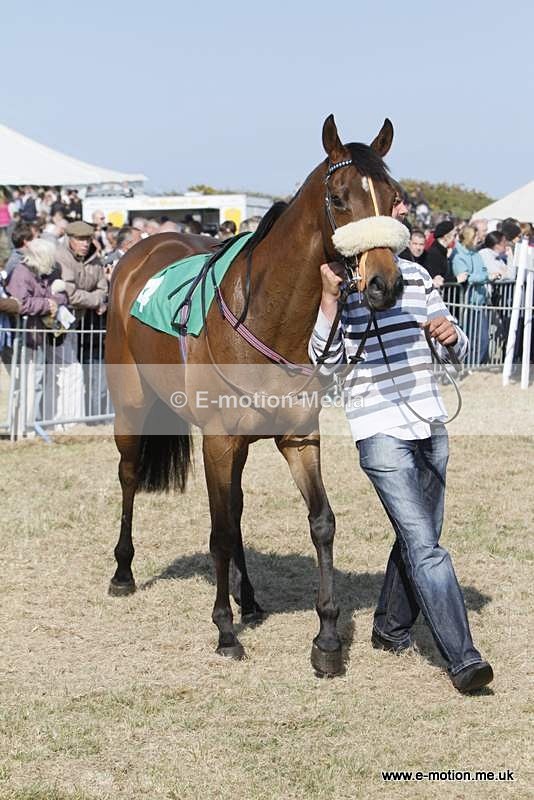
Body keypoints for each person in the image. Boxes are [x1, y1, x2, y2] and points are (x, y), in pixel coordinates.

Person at [308, 253, 493, 694]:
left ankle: (390, 628)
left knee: (418, 535)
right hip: (378, 430)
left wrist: (451, 336)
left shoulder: (417, 275)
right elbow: (324, 366)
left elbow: (458, 353)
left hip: (430, 423)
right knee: (425, 547)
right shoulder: (340, 281)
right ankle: (464, 658)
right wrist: (329, 300)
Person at [5, 239, 67, 432]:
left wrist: (54, 300)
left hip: (41, 334)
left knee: (37, 380)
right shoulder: (22, 273)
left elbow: (61, 295)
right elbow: (20, 303)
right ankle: (24, 426)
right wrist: (47, 304)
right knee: (28, 381)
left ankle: (32, 423)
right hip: (26, 337)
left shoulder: (44, 273)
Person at [452, 225, 491, 363]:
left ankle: (473, 366)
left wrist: (480, 276)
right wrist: (484, 277)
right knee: (473, 340)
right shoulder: (458, 255)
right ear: (468, 238)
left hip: (479, 302)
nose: (478, 238)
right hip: (467, 304)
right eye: (475, 236)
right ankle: (469, 367)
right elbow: (466, 277)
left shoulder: (476, 253)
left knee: (483, 340)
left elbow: (484, 272)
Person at [424, 220, 456, 288]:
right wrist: (456, 279)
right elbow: (437, 280)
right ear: (446, 236)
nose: (455, 239)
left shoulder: (442, 250)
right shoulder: (434, 253)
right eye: (454, 235)